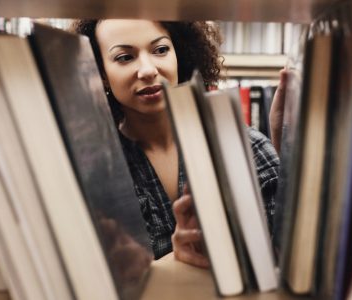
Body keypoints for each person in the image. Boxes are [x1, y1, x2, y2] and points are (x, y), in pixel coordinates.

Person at [72, 19, 283, 267]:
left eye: (160, 50)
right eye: (124, 57)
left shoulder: (249, 149)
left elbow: (284, 259)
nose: (148, 70)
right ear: (101, 73)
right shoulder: (94, 171)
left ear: (179, 54)